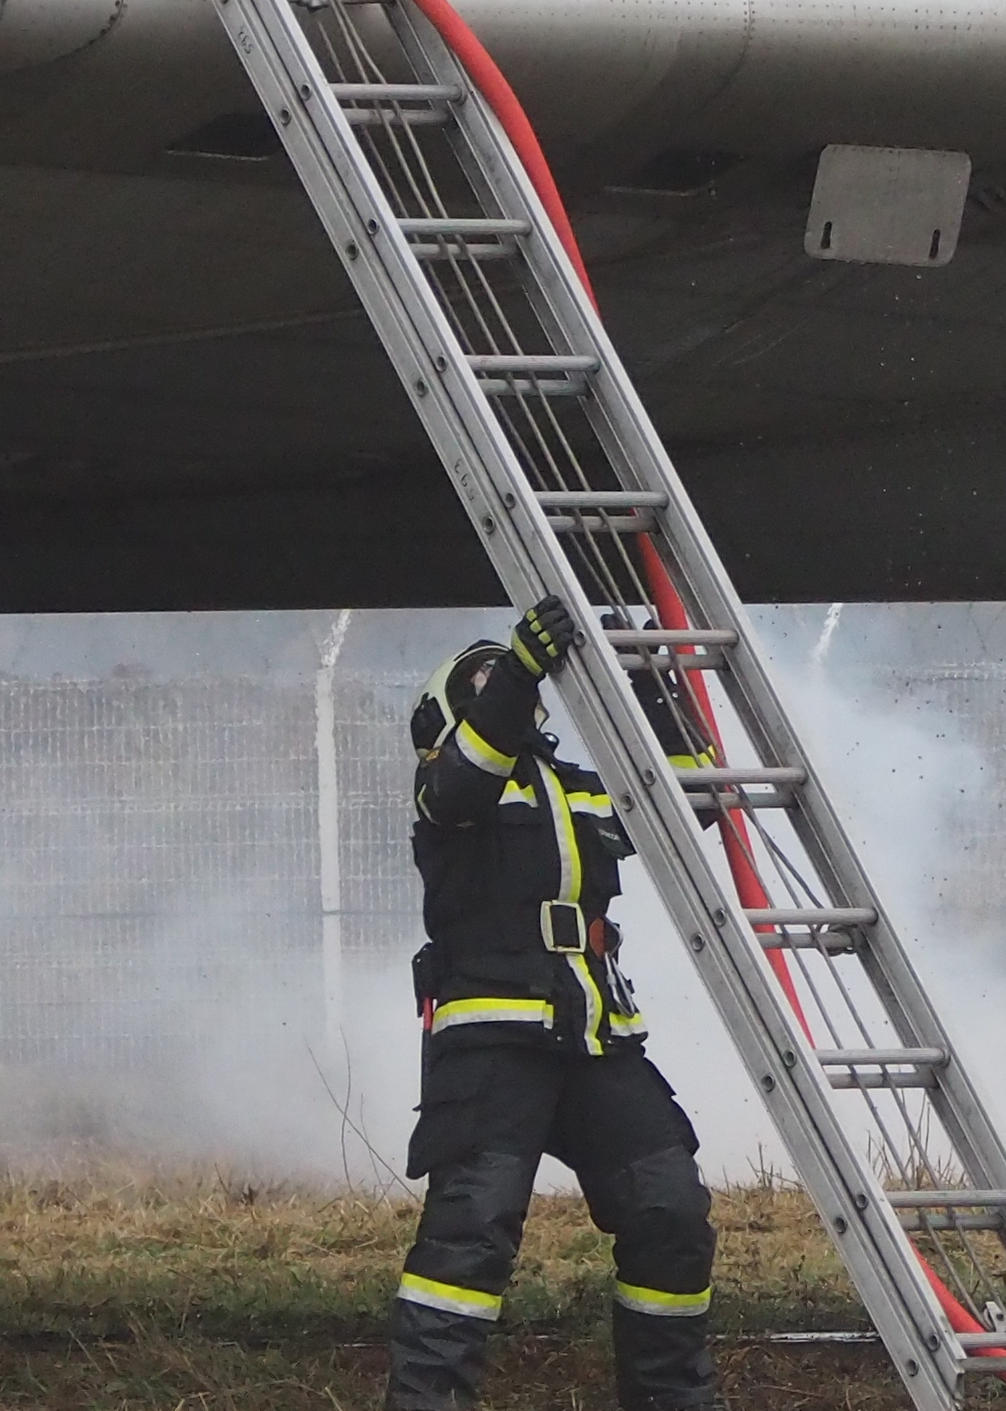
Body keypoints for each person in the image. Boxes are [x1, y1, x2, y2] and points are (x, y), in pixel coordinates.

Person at [387, 598, 719, 1411]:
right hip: (492, 1046)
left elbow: (691, 803)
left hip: (596, 1043)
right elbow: (466, 780)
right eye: (491, 683)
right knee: (473, 1235)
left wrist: (645, 679)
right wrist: (522, 668)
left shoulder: (576, 791)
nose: (509, 688)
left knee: (671, 1210)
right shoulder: (446, 794)